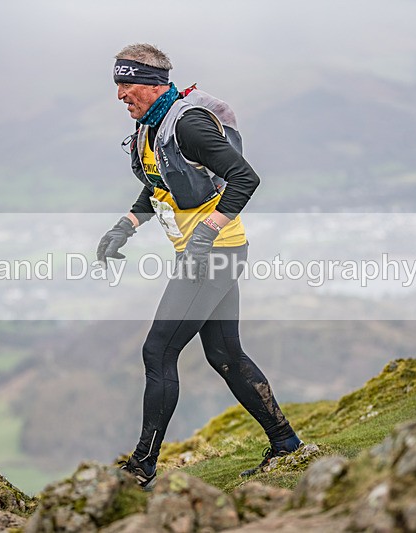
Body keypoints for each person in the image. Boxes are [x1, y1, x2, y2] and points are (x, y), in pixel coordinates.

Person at [98, 43, 302, 491]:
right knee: (225, 355)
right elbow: (160, 185)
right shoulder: (149, 128)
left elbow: (246, 178)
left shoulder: (187, 123)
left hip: (213, 255)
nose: (119, 95)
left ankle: (141, 468)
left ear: (152, 84)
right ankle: (286, 442)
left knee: (158, 351)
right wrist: (125, 227)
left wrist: (206, 234)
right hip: (208, 254)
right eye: (117, 85)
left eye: (126, 84)